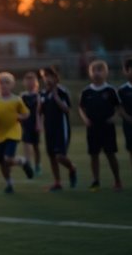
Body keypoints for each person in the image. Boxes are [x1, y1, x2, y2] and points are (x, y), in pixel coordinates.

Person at [0, 72, 35, 194]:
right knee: (2, 163)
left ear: (11, 85)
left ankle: (23, 162)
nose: (4, 85)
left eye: (6, 83)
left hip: (13, 132)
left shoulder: (17, 100)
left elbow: (26, 113)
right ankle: (9, 183)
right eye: (1, 83)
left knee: (8, 158)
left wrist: (20, 117)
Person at [78, 60, 122, 191]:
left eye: (99, 70)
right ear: (90, 73)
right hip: (92, 127)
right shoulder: (86, 91)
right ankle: (95, 181)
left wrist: (114, 117)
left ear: (105, 72)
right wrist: (85, 119)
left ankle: (117, 181)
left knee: (110, 154)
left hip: (107, 127)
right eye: (94, 71)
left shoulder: (110, 90)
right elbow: (81, 107)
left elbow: (119, 106)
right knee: (94, 154)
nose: (96, 73)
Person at [38, 66, 77, 191]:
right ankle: (57, 182)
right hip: (49, 129)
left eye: (48, 76)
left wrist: (56, 97)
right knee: (51, 156)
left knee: (60, 156)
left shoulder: (62, 91)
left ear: (55, 77)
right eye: (44, 77)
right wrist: (38, 123)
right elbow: (39, 111)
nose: (46, 79)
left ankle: (72, 168)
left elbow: (67, 109)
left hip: (61, 128)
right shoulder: (43, 93)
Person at [19, 71, 43, 175]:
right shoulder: (22, 96)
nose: (29, 83)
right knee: (26, 143)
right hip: (25, 123)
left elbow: (39, 112)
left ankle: (38, 165)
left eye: (31, 81)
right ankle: (28, 164)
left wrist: (39, 123)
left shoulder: (38, 95)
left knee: (36, 146)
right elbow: (19, 110)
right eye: (27, 81)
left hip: (35, 122)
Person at [118, 57, 132, 177]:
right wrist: (127, 117)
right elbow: (119, 107)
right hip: (129, 124)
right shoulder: (122, 90)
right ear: (126, 71)